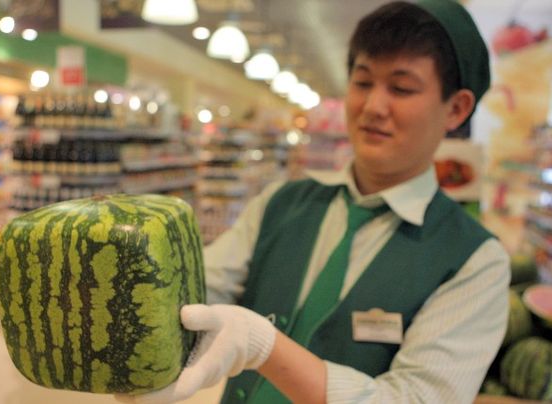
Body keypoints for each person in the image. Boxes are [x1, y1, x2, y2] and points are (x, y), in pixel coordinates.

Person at [117, 0, 510, 403]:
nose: (373, 107)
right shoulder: (281, 203)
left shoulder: (474, 261)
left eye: (401, 88)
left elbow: (416, 397)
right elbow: (200, 290)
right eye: (362, 82)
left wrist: (265, 346)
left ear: (457, 108)